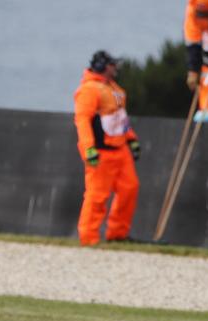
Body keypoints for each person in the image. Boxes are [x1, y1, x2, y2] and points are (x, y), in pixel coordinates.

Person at [73, 50, 140, 246]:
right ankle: (89, 237)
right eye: (112, 65)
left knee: (129, 189)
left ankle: (118, 233)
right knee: (96, 195)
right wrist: (88, 149)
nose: (115, 68)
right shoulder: (89, 89)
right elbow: (83, 120)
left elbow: (120, 118)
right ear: (103, 67)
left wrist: (131, 139)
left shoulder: (113, 88)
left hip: (120, 150)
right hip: (101, 152)